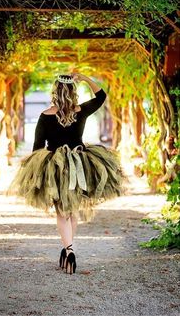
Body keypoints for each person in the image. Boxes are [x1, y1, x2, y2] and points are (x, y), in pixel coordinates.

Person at [8, 73, 123, 274]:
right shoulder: (81, 111)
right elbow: (102, 96)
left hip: (55, 169)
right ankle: (68, 248)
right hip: (80, 164)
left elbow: (37, 147)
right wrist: (86, 78)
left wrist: (37, 171)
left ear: (55, 91)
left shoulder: (45, 116)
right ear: (72, 92)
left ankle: (69, 250)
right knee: (72, 211)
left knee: (61, 212)